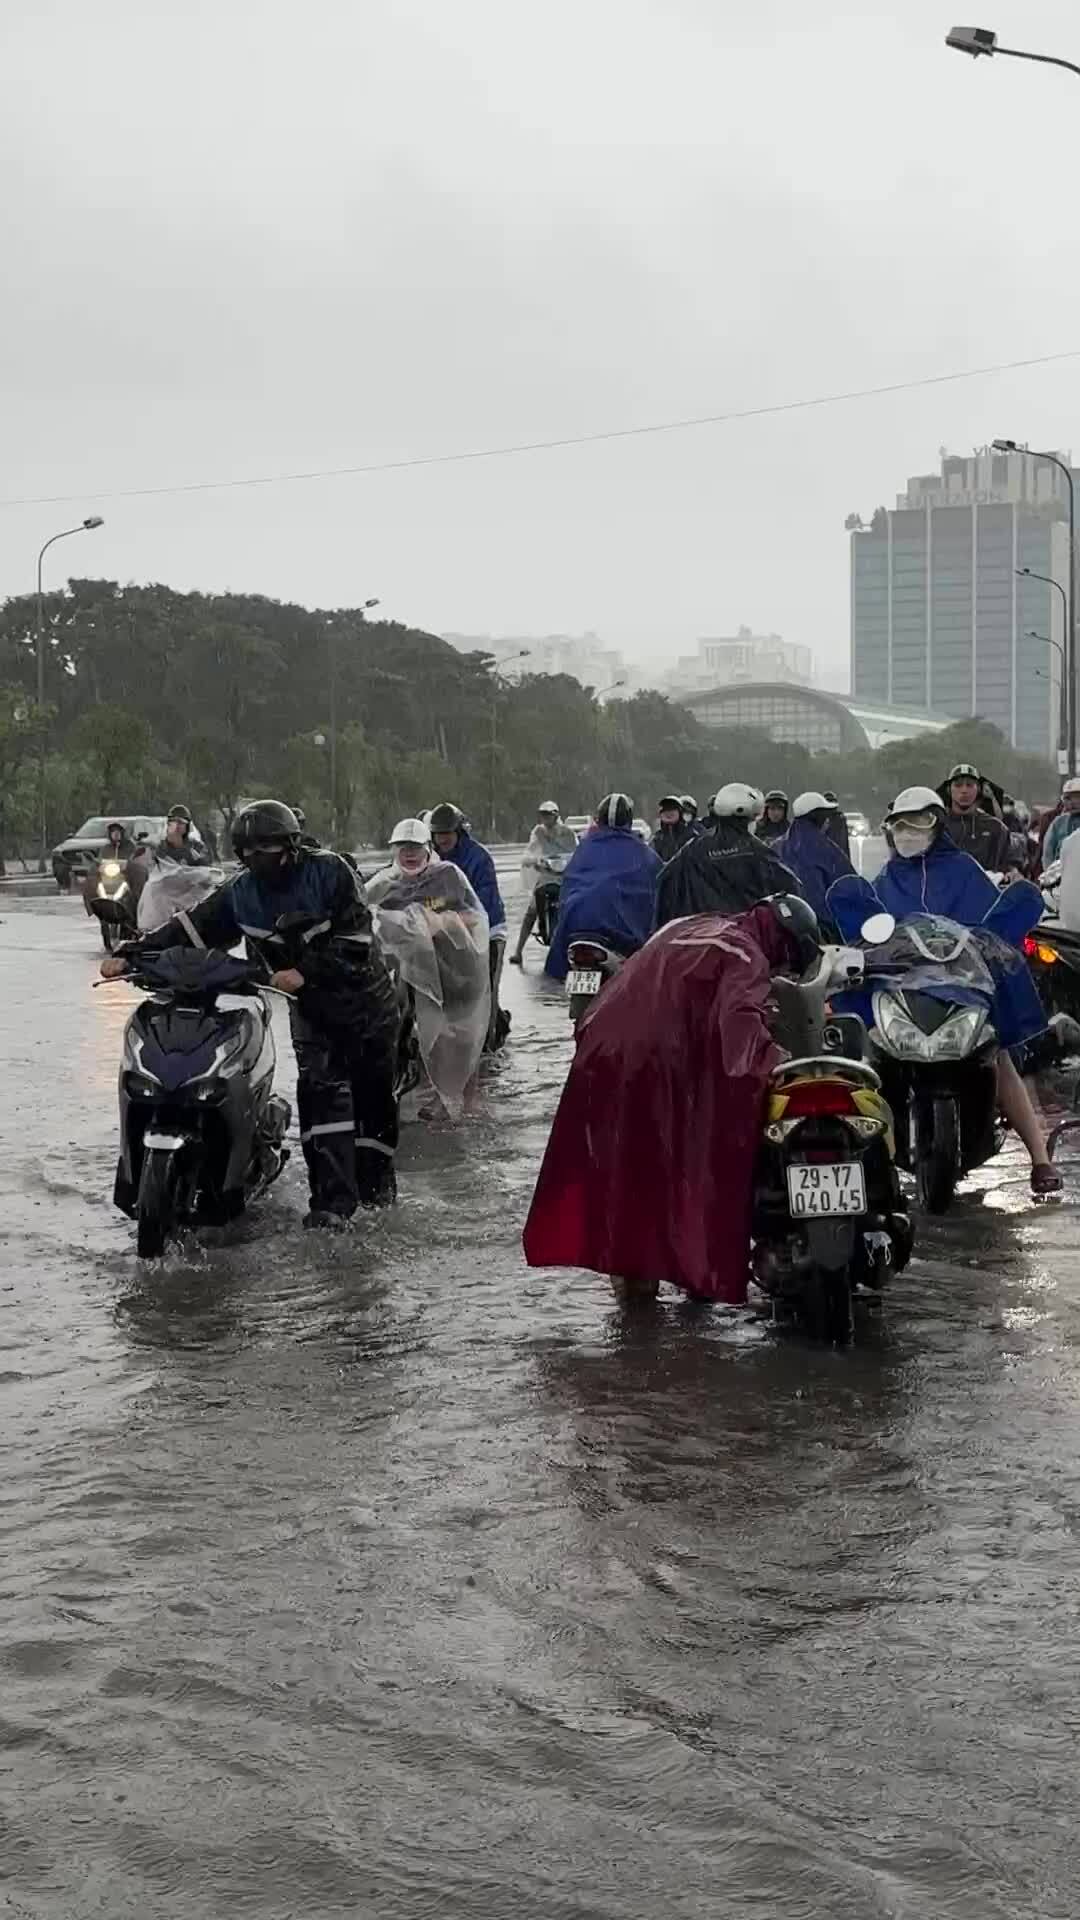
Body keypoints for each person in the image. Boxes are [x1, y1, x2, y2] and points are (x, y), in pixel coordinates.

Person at [101, 800, 401, 1227]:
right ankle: (331, 1209)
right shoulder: (240, 893)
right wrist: (132, 952)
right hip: (310, 1011)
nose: (258, 859)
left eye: (267, 850)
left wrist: (305, 970)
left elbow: (356, 937)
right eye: (247, 852)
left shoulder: (330, 871)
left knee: (373, 1105)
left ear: (291, 846)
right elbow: (191, 927)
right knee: (320, 1101)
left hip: (366, 1004)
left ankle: (377, 1196)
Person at [524, 894, 822, 1303]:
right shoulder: (746, 955)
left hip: (601, 1053)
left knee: (624, 1177)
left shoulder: (689, 925)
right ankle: (676, 1289)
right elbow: (740, 1037)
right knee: (678, 1168)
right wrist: (782, 1065)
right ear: (784, 944)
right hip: (653, 1064)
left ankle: (635, 1315)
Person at [826, 785, 1061, 1196]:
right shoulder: (886, 878)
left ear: (937, 825)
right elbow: (870, 937)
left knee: (1002, 1059)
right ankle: (851, 1162)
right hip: (902, 998)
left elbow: (992, 932)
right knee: (861, 1059)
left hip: (964, 994)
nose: (907, 831)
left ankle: (1040, 1160)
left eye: (917, 822)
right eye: (899, 824)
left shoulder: (965, 871)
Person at [367, 819, 490, 1119]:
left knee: (461, 1035)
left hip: (451, 969)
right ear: (394, 850)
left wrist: (441, 922)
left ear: (428, 849)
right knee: (416, 1034)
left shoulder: (448, 875)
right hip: (406, 975)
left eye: (415, 848)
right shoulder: (383, 883)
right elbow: (360, 917)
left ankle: (468, 1100)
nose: (409, 855)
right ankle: (426, 1094)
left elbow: (475, 917)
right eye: (402, 849)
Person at [545, 793, 662, 982]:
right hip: (621, 934)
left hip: (576, 925)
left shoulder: (585, 848)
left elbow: (568, 884)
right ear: (629, 820)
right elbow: (660, 885)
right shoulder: (643, 852)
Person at [655, 783, 801, 927]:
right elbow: (791, 887)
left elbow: (665, 880)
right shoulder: (757, 850)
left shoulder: (694, 847)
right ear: (749, 817)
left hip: (702, 935)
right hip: (747, 935)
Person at [428, 802, 509, 1050]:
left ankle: (489, 1048)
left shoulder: (479, 858)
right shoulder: (429, 857)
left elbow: (479, 907)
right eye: (438, 834)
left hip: (487, 932)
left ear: (459, 832)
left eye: (447, 834)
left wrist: (441, 910)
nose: (443, 839)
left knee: (486, 993)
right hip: (446, 933)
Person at [509, 802, 578, 967]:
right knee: (531, 911)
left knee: (572, 910)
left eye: (548, 814)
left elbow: (575, 853)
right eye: (543, 814)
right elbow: (530, 850)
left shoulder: (567, 833)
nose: (545, 818)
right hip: (545, 876)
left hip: (562, 878)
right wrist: (532, 861)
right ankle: (518, 951)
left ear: (556, 815)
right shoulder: (538, 832)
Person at [775, 791, 854, 918]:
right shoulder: (824, 847)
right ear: (819, 818)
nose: (827, 822)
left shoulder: (778, 845)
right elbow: (849, 883)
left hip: (783, 918)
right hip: (821, 923)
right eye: (825, 817)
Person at [939, 764, 1012, 872]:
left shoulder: (996, 828)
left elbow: (1007, 865)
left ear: (978, 789)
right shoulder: (937, 826)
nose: (964, 790)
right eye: (958, 785)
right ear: (949, 790)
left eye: (969, 785)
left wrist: (1012, 872)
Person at [155, 804, 210, 868]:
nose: (176, 826)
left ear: (188, 826)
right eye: (173, 821)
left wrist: (198, 859)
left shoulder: (197, 846)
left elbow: (207, 869)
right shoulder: (161, 847)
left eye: (181, 822)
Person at [1041, 776, 1080, 866]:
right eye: (1067, 798)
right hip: (1062, 873)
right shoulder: (1058, 823)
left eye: (1077, 797)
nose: (1072, 802)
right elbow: (1048, 853)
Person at [651, 795, 695, 863]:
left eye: (672, 808)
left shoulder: (691, 836)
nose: (668, 812)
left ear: (680, 812)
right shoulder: (657, 838)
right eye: (665, 809)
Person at [821, 791, 851, 860]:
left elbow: (845, 841)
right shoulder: (820, 819)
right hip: (831, 855)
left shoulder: (840, 818)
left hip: (835, 854)